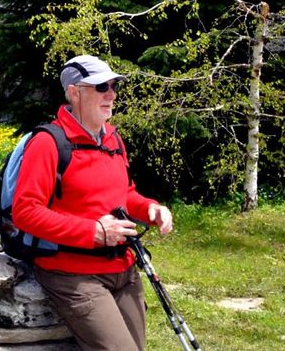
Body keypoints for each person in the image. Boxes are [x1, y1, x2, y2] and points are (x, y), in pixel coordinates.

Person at [11, 54, 174, 350]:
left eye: (113, 86)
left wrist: (151, 209)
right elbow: (25, 212)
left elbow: (124, 194)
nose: (111, 94)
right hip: (73, 275)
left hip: (124, 269)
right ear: (74, 93)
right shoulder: (48, 143)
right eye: (101, 87)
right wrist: (94, 233)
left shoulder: (112, 139)